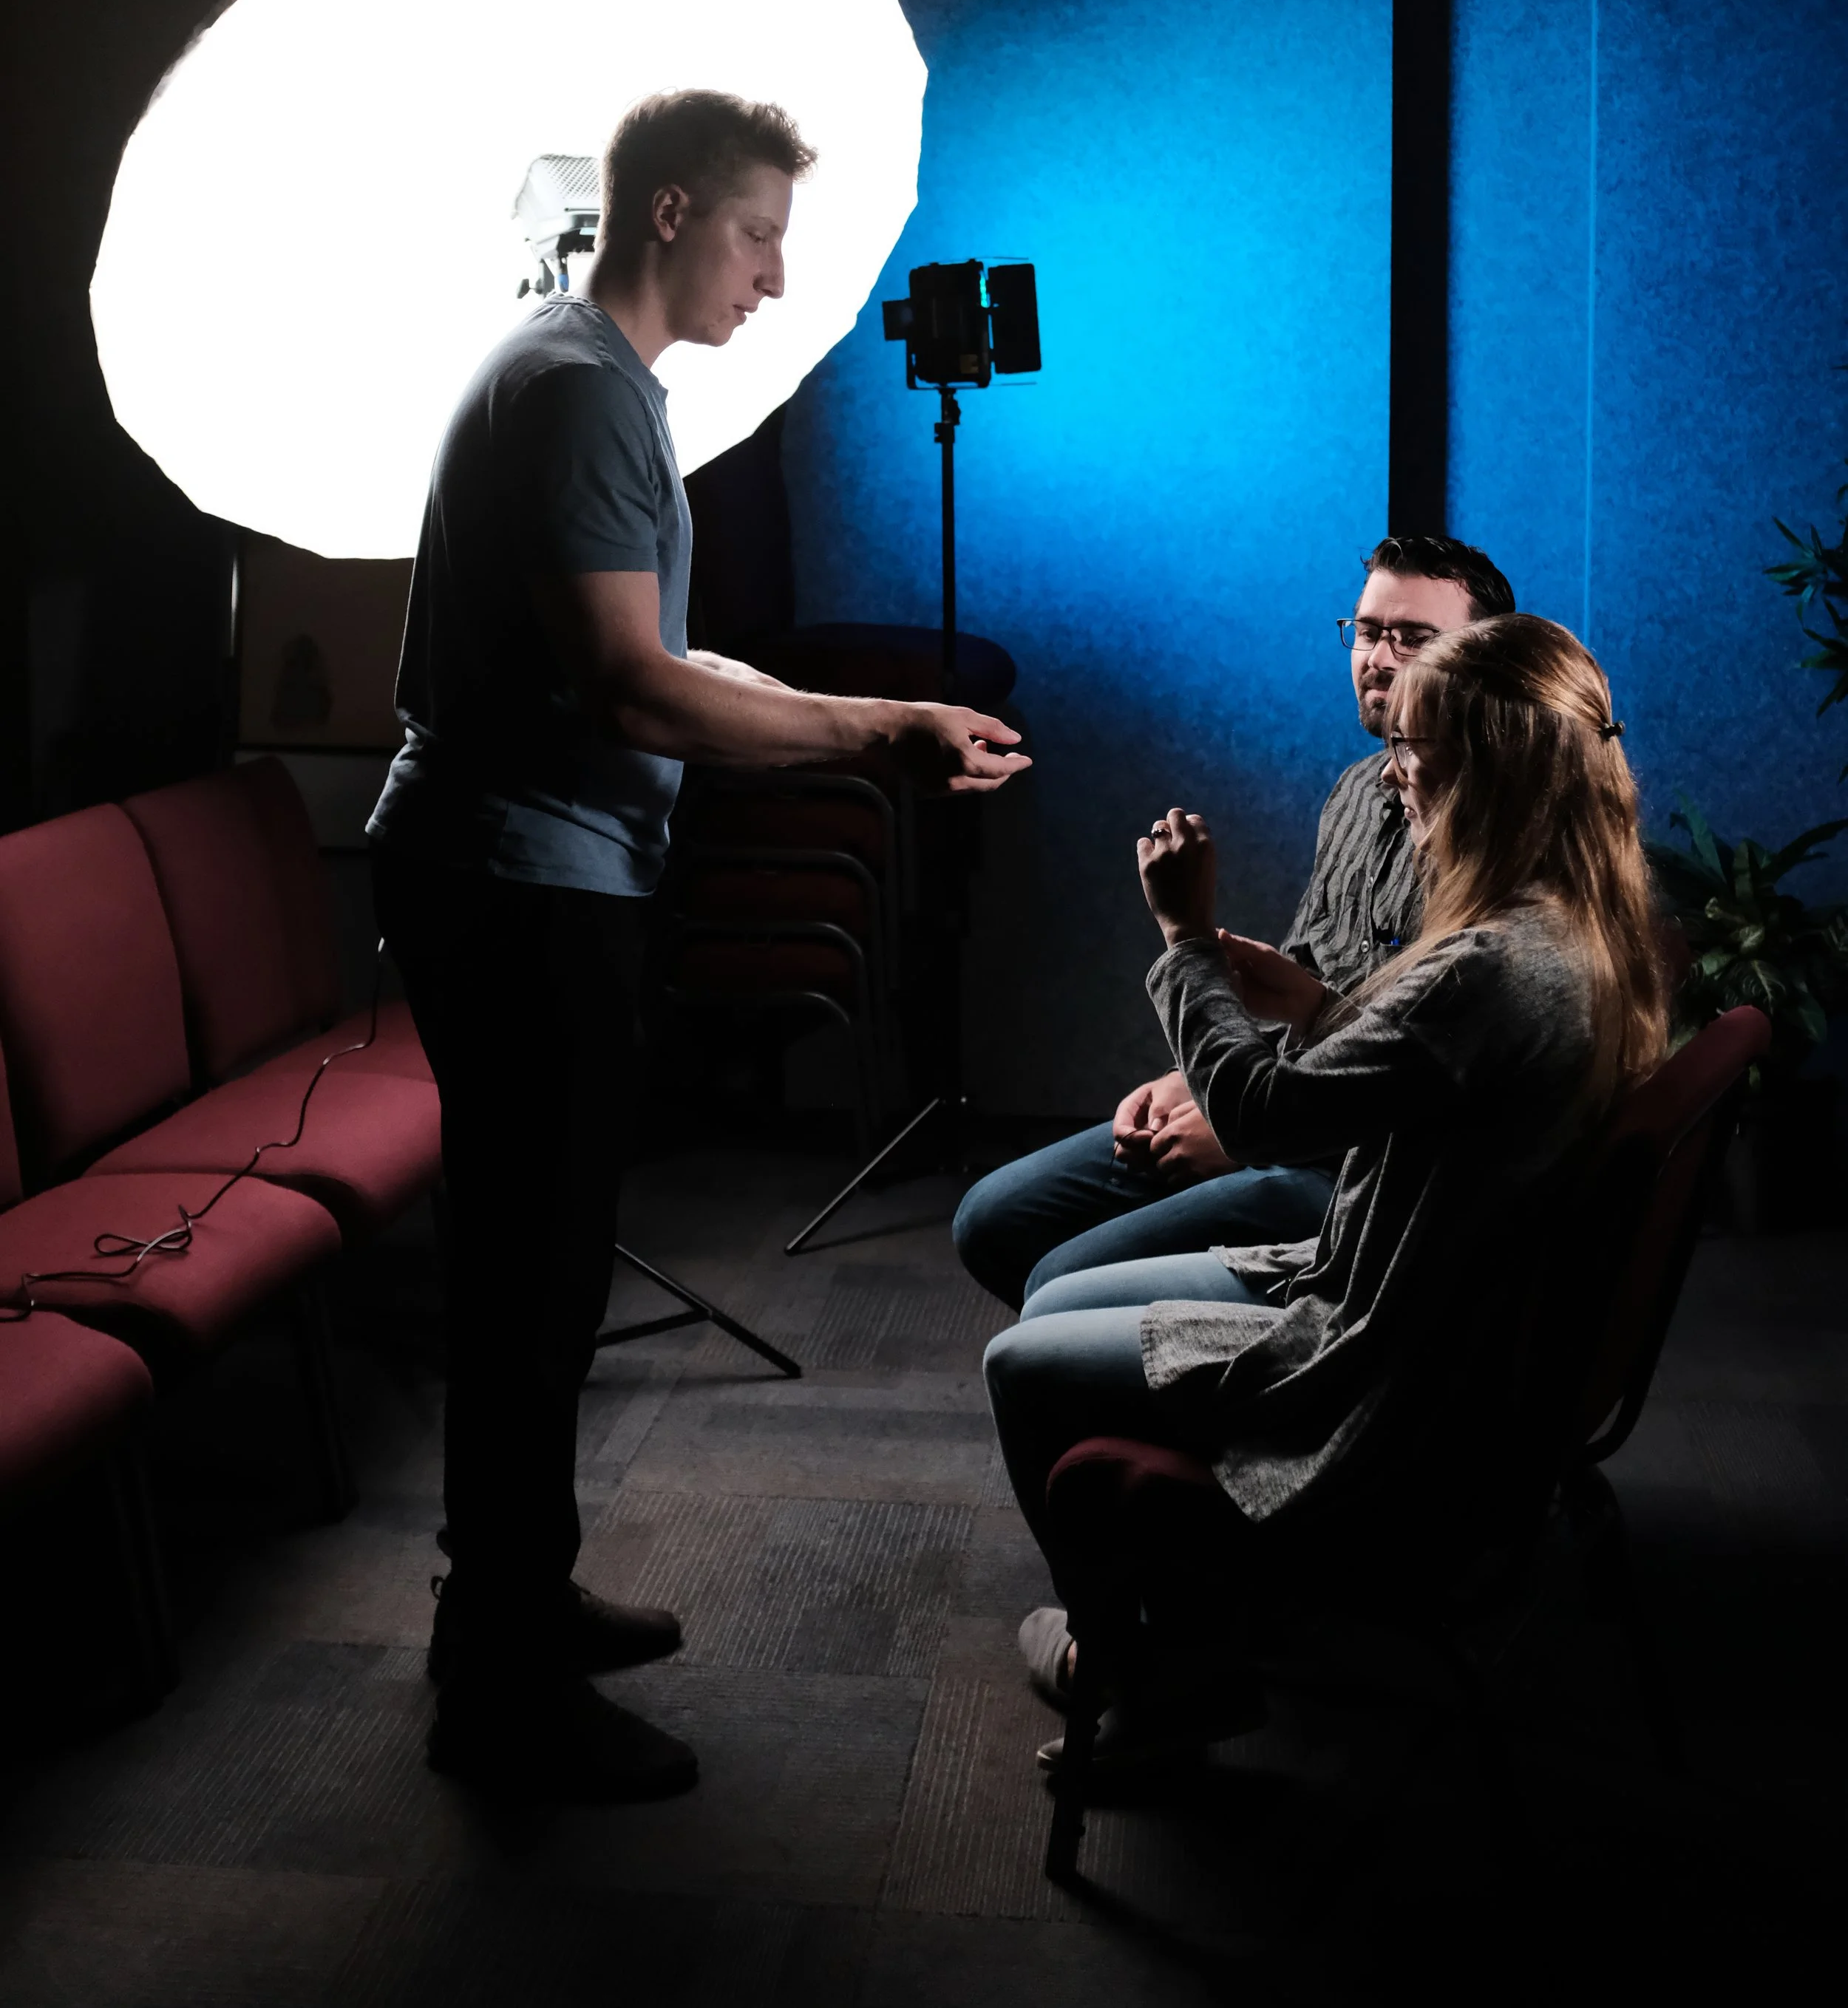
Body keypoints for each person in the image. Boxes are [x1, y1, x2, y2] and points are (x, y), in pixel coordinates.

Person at [367, 88, 1030, 1803]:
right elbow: (635, 684)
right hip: (518, 882)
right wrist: (870, 738)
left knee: (548, 1272)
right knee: (530, 1282)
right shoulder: (580, 387)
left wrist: (886, 711)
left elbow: (685, 657)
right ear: (665, 211)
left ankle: (505, 1599)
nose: (780, 273)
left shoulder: (589, 381)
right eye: (757, 231)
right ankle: (499, 1686)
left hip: (531, 871)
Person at [982, 613, 1666, 1766]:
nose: (1397, 781)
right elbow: (1445, 1079)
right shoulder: (1583, 925)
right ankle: (1192, 1624)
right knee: (1050, 1300)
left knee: (1020, 1360)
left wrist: (1185, 936)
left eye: (1418, 760)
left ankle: (1150, 1680)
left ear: (1485, 777)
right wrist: (1312, 1006)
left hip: (1378, 1362)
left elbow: (1259, 1118)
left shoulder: (1490, 963)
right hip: (1428, 1308)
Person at [952, 535, 1515, 1309]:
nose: (1378, 659)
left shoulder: (1497, 847)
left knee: (1059, 1281)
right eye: (1367, 631)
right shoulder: (1356, 789)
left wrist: (1240, 1125)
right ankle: (1148, 1382)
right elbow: (1307, 988)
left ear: (1483, 660)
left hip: (1358, 1168)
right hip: (1279, 1103)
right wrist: (1194, 1081)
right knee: (991, 1220)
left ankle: (1190, 1382)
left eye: (1413, 638)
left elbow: (1428, 1085)